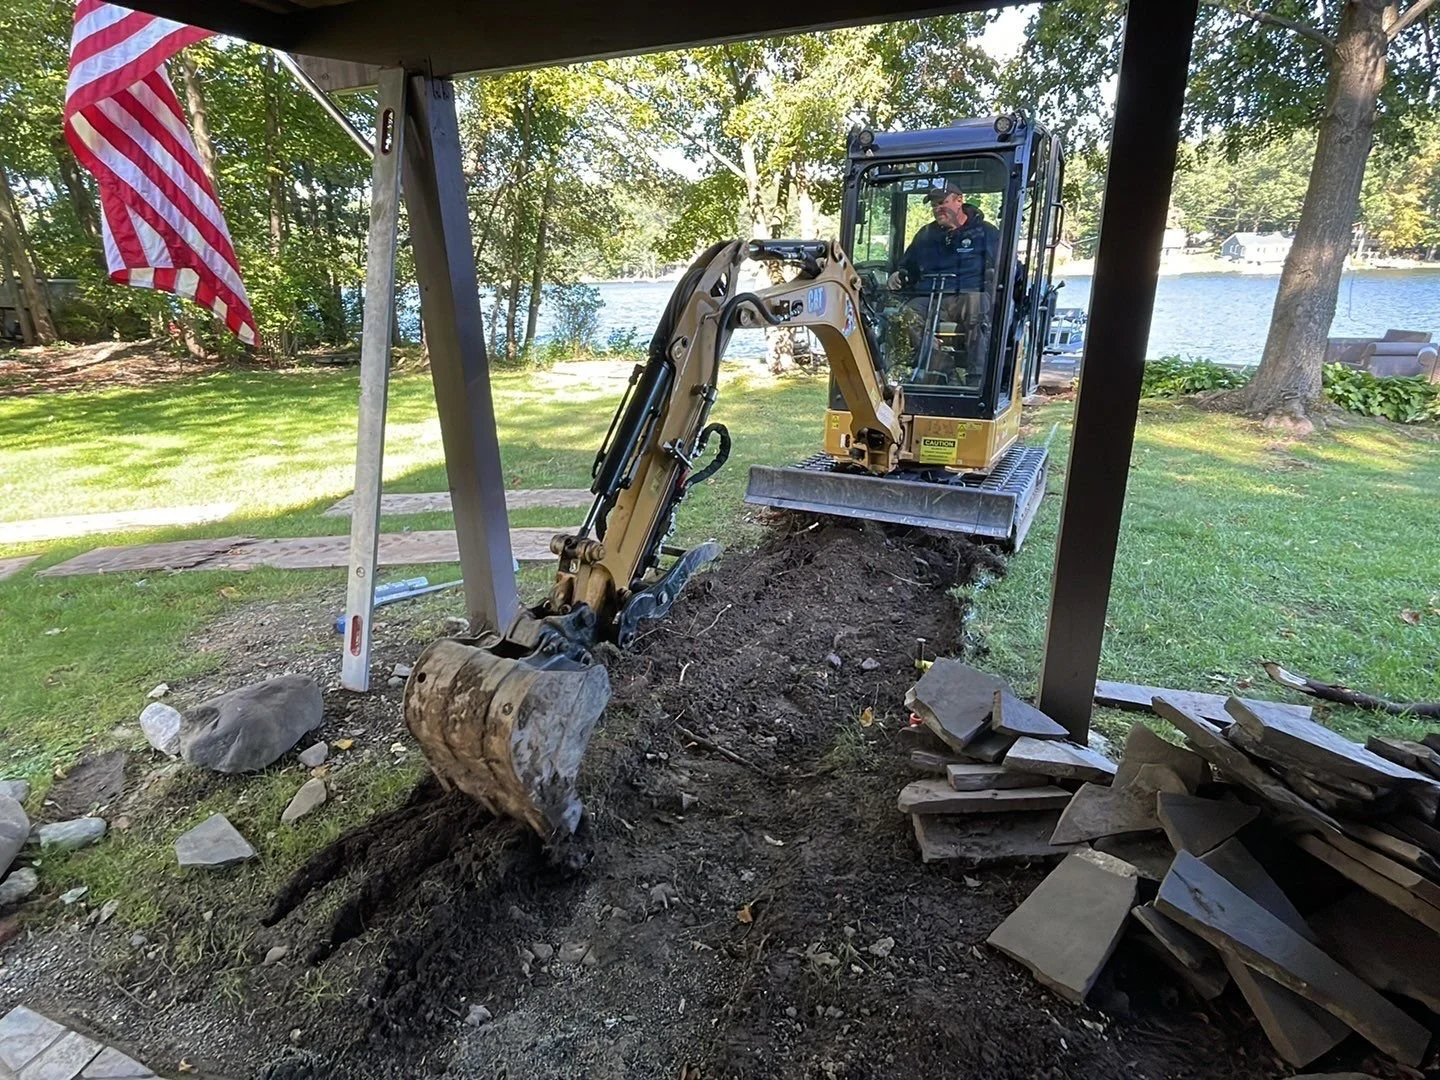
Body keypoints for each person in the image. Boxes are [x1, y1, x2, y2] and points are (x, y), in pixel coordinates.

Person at [888, 180, 1000, 381]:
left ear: (959, 200)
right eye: (934, 205)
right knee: (906, 314)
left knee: (978, 306)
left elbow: (1007, 266)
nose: (937, 208)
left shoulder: (985, 232)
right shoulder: (925, 235)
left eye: (942, 202)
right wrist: (898, 273)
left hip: (968, 293)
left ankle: (976, 378)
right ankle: (944, 370)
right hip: (931, 297)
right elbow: (908, 265)